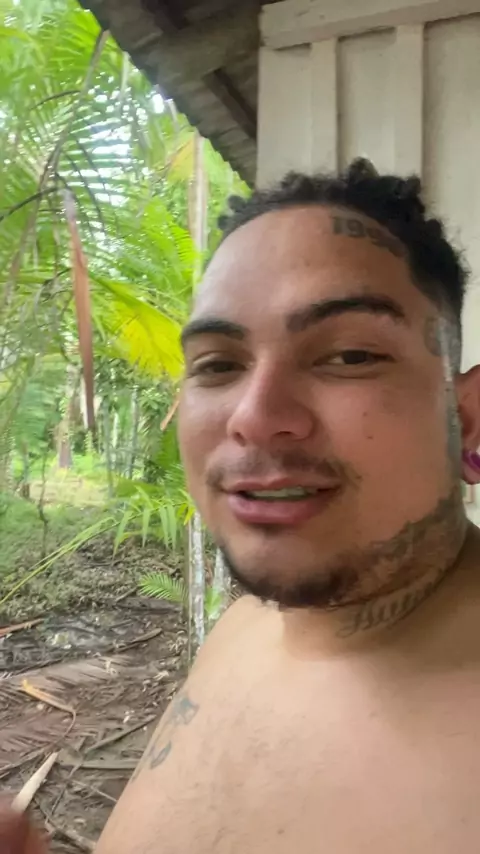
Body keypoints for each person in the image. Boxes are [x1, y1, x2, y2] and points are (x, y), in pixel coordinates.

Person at [5, 159, 480, 852]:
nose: (254, 417)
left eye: (349, 355)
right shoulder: (249, 626)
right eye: (219, 365)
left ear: (468, 418)